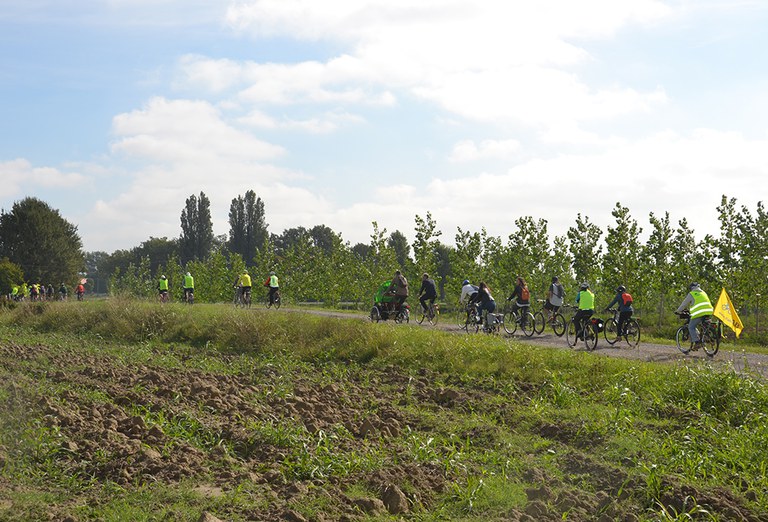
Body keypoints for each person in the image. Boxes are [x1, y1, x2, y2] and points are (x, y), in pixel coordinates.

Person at [676, 282, 714, 348]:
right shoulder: (703, 293)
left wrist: (678, 311)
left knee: (691, 326)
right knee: (703, 325)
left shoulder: (692, 294)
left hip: (699, 313)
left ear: (691, 287)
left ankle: (697, 342)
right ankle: (706, 336)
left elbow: (684, 304)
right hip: (709, 311)